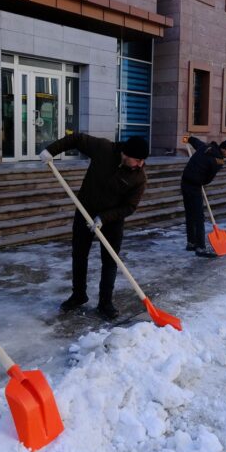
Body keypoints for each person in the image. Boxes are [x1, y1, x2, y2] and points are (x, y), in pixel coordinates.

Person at [40, 133, 148, 319]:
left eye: (142, 161)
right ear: (126, 153)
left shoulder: (139, 177)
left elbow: (129, 207)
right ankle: (78, 295)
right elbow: (76, 139)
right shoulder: (104, 149)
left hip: (112, 220)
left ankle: (105, 303)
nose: (140, 164)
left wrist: (104, 218)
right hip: (85, 209)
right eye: (137, 160)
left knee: (110, 260)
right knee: (79, 254)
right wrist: (51, 150)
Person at [181, 135, 226, 257]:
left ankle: (191, 243)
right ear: (223, 149)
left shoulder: (205, 147)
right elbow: (208, 178)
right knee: (199, 217)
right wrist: (202, 182)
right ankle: (200, 248)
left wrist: (187, 138)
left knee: (190, 213)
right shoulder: (218, 161)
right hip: (195, 185)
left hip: (185, 182)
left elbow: (194, 141)